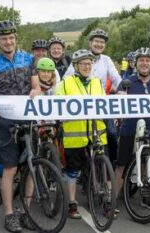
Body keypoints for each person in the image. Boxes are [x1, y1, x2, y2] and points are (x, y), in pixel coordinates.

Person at [0, 20, 41, 233]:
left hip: (28, 119)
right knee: (10, 169)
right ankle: (9, 215)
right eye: (3, 38)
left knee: (31, 167)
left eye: (11, 38)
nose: (8, 41)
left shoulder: (28, 59)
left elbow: (36, 86)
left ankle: (26, 212)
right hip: (6, 122)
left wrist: (36, 91)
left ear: (15, 39)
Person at [56, 49, 107, 219]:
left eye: (89, 64)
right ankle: (71, 202)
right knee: (73, 170)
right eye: (83, 64)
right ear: (76, 66)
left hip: (96, 132)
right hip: (75, 135)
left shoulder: (97, 83)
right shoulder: (65, 83)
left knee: (102, 167)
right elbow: (58, 107)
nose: (87, 67)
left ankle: (106, 200)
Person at [115, 47, 150, 209]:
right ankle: (112, 198)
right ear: (136, 63)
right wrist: (120, 96)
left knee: (146, 163)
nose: (144, 63)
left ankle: (145, 196)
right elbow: (116, 104)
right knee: (122, 164)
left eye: (148, 61)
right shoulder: (127, 82)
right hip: (129, 129)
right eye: (141, 60)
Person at [64, 28, 122, 166]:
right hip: (82, 105)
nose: (99, 44)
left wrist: (122, 90)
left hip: (100, 104)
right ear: (90, 43)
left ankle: (109, 166)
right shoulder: (81, 58)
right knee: (83, 139)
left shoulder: (107, 60)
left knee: (112, 135)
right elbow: (66, 79)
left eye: (102, 42)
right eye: (96, 41)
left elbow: (116, 78)